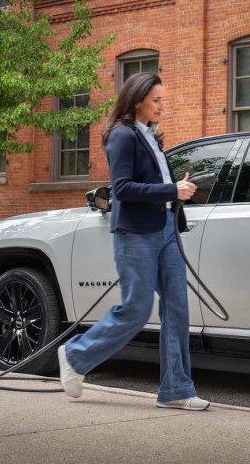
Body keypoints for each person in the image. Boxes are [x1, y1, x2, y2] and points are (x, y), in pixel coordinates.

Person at [57, 73, 209, 411]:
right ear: (137, 100)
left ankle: (176, 390)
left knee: (177, 309)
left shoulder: (151, 137)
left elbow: (153, 183)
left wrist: (176, 188)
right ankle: (75, 355)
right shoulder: (121, 136)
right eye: (156, 100)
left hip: (166, 229)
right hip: (136, 234)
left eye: (162, 100)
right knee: (135, 310)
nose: (161, 106)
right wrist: (172, 190)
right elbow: (121, 189)